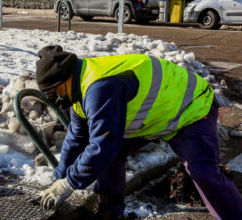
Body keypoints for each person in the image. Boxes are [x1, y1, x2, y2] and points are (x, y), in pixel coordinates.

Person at [34, 45, 242, 220]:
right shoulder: (78, 90)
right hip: (157, 117)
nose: (53, 99)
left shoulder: (99, 88)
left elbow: (102, 145)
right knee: (111, 154)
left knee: (204, 173)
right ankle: (110, 213)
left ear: (65, 80)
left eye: (52, 92)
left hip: (190, 109)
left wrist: (69, 183)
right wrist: (58, 181)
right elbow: (76, 138)